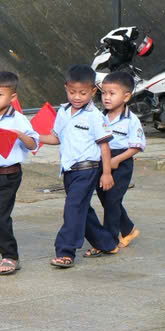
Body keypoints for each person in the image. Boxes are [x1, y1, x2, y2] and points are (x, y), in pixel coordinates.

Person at [40, 64, 116, 267]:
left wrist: (106, 173)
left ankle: (66, 251)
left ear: (93, 91)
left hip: (88, 169)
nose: (77, 97)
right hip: (69, 170)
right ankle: (106, 243)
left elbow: (105, 146)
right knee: (82, 209)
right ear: (66, 88)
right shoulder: (63, 112)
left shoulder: (95, 116)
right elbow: (56, 138)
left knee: (72, 208)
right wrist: (33, 137)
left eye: (83, 93)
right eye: (72, 92)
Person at [0, 71, 39, 276]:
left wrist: (20, 135)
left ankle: (11, 257)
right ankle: (5, 254)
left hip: (8, 175)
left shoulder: (18, 119)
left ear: (12, 97)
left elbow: (33, 143)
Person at [90, 71, 145, 249]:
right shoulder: (99, 116)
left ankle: (109, 240)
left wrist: (118, 160)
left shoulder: (131, 120)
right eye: (104, 93)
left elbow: (136, 146)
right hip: (101, 160)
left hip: (121, 162)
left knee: (113, 200)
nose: (106, 97)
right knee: (106, 199)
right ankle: (128, 229)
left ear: (126, 96)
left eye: (112, 93)